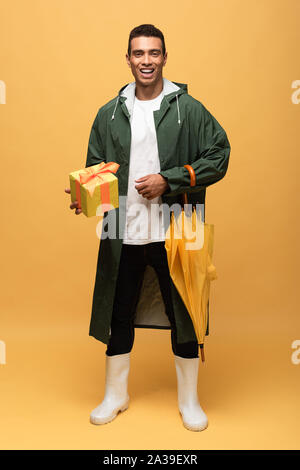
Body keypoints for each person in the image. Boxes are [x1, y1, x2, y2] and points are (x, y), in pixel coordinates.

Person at [65, 24, 230, 432]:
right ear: (128, 59)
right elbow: (96, 167)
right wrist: (84, 193)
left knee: (184, 312)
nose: (146, 61)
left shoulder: (187, 108)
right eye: (138, 54)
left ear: (164, 57)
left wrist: (170, 179)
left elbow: (220, 154)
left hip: (177, 226)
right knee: (118, 313)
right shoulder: (110, 112)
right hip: (123, 227)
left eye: (153, 53)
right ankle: (115, 395)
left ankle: (189, 402)